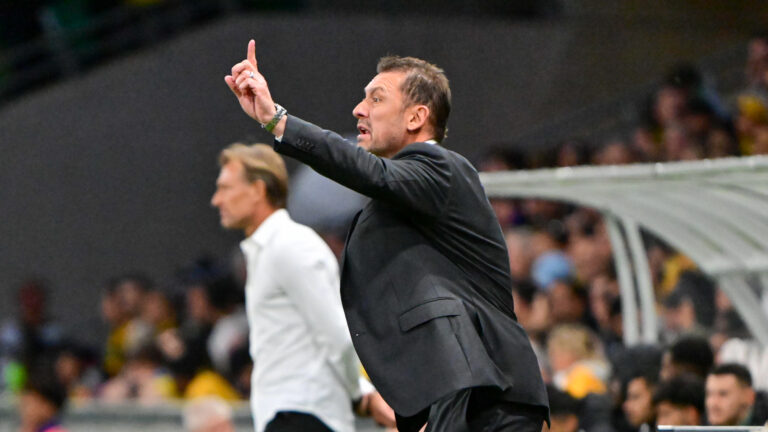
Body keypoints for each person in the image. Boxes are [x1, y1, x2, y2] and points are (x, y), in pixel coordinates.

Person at [225, 40, 549, 432]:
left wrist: (277, 120)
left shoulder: (441, 168)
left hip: (484, 393)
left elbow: (370, 173)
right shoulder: (408, 196)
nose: (359, 110)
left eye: (376, 99)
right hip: (458, 396)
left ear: (416, 117)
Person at [210, 143, 388, 432]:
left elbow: (337, 335)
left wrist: (360, 394)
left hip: (304, 418)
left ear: (257, 190)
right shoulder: (270, 250)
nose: (217, 200)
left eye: (226, 188)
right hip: (292, 415)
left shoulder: (291, 246)